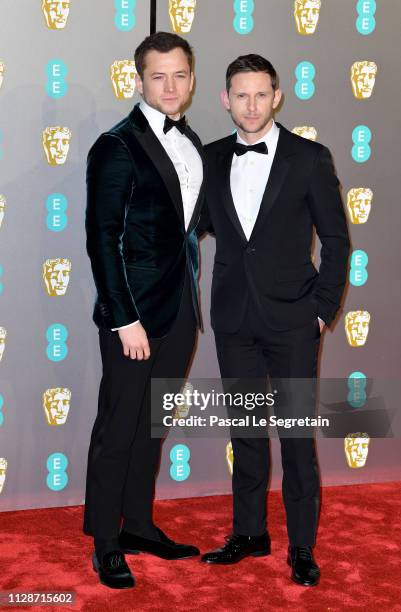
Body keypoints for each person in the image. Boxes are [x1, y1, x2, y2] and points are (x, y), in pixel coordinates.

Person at [198, 54, 349, 586]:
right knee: (245, 433)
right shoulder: (210, 159)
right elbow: (188, 226)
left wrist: (320, 311)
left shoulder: (309, 158)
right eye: (241, 95)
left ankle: (302, 546)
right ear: (225, 99)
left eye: (261, 94)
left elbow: (335, 240)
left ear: (277, 96)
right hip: (234, 320)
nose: (252, 105)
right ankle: (249, 533)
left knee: (296, 437)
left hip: (292, 321)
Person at [84, 31, 205, 589]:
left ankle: (138, 524)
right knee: (119, 425)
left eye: (180, 74)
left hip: (180, 311)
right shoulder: (116, 145)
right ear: (139, 80)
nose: (171, 86)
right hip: (132, 316)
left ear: (192, 77)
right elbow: (102, 239)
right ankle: (106, 541)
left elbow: (184, 228)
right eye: (158, 76)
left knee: (152, 427)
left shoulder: (192, 141)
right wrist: (122, 317)